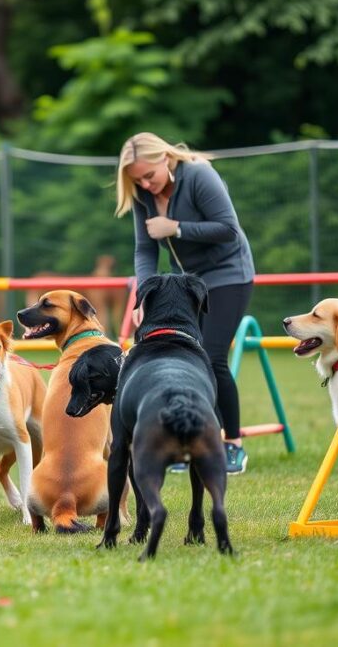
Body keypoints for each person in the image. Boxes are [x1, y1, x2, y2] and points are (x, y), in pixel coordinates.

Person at [116, 132, 255, 474]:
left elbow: (228, 229)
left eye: (150, 175)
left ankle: (232, 444)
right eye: (137, 179)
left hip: (228, 274)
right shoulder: (141, 195)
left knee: (211, 356)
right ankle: (192, 439)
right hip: (187, 281)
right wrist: (143, 297)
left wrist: (175, 228)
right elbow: (144, 249)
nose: (146, 184)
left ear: (165, 158)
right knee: (185, 357)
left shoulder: (198, 175)